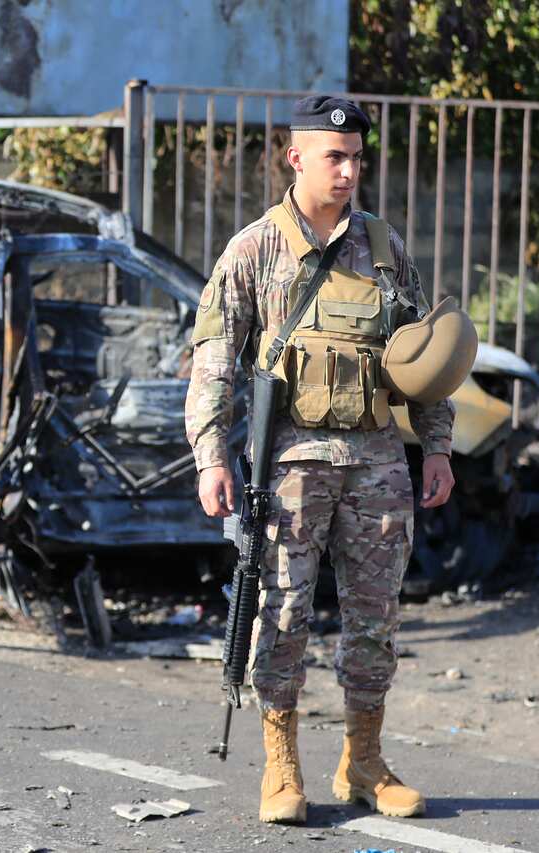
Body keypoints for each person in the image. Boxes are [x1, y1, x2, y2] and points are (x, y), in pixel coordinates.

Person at [184, 95, 456, 824]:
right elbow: (213, 359)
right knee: (282, 614)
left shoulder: (386, 247)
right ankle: (281, 765)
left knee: (376, 617)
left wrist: (436, 446)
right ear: (294, 156)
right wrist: (212, 455)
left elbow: (424, 356)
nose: (349, 170)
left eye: (357, 158)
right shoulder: (255, 249)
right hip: (290, 462)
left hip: (376, 459)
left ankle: (364, 760)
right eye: (334, 156)